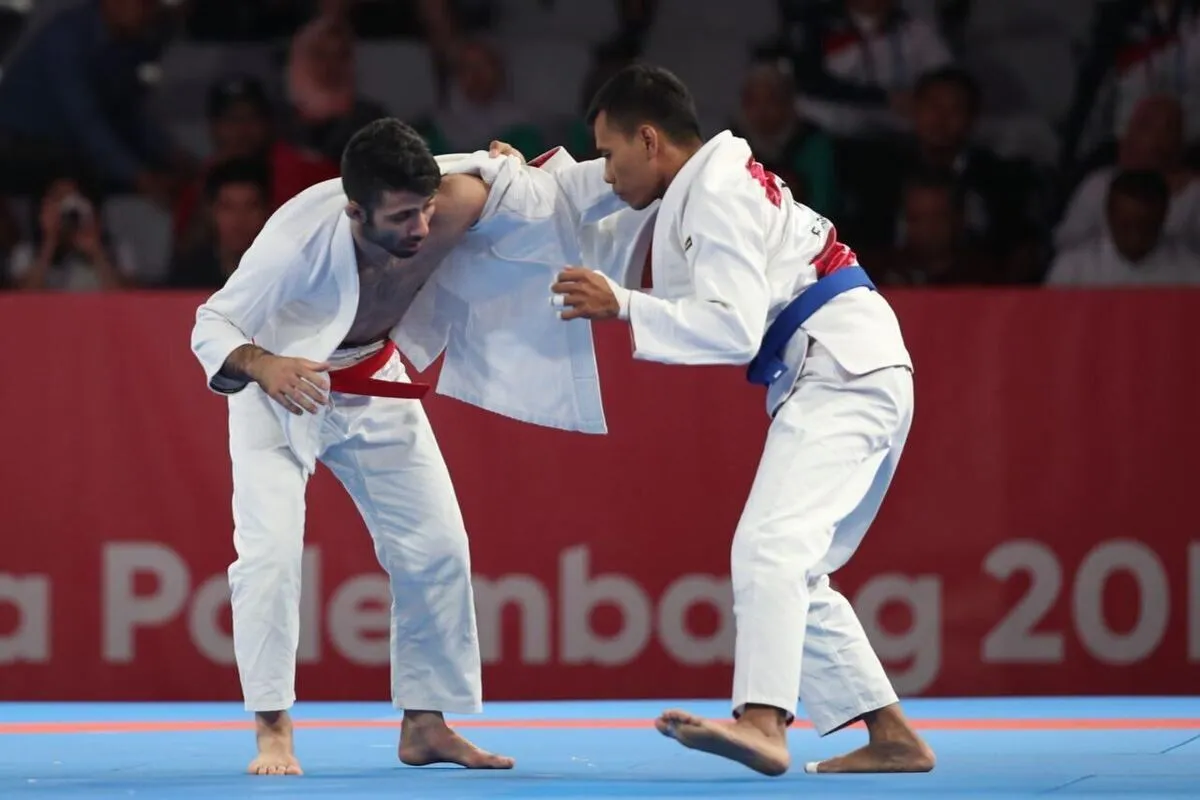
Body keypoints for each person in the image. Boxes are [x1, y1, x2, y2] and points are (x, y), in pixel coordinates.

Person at [189, 118, 628, 776]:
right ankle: (273, 729)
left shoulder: (458, 198)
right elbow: (212, 323)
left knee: (438, 547)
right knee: (269, 557)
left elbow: (555, 191)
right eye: (400, 217)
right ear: (355, 211)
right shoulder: (296, 238)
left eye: (424, 209)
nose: (421, 228)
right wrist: (264, 365)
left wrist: (526, 169)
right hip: (283, 386)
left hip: (373, 375)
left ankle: (426, 723)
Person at [547, 64, 936, 777]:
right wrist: (532, 178)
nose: (605, 173)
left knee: (770, 546)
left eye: (608, 153)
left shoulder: (715, 193)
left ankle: (763, 722)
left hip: (842, 366)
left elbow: (731, 328)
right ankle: (892, 736)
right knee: (798, 570)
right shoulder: (706, 184)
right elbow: (604, 234)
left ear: (649, 139)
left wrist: (623, 305)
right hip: (854, 362)